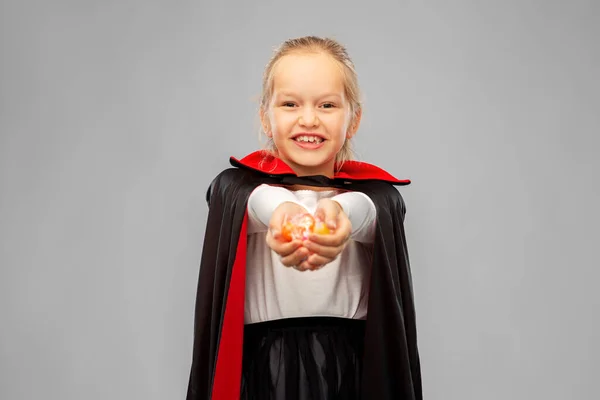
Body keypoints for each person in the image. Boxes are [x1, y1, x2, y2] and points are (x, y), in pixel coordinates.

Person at [186, 36, 422, 400]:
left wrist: (338, 216)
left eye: (327, 105)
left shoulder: (375, 199)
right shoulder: (237, 190)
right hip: (265, 371)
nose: (308, 119)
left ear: (353, 119)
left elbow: (366, 212)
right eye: (290, 104)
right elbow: (257, 201)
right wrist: (285, 213)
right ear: (266, 116)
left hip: (352, 371)